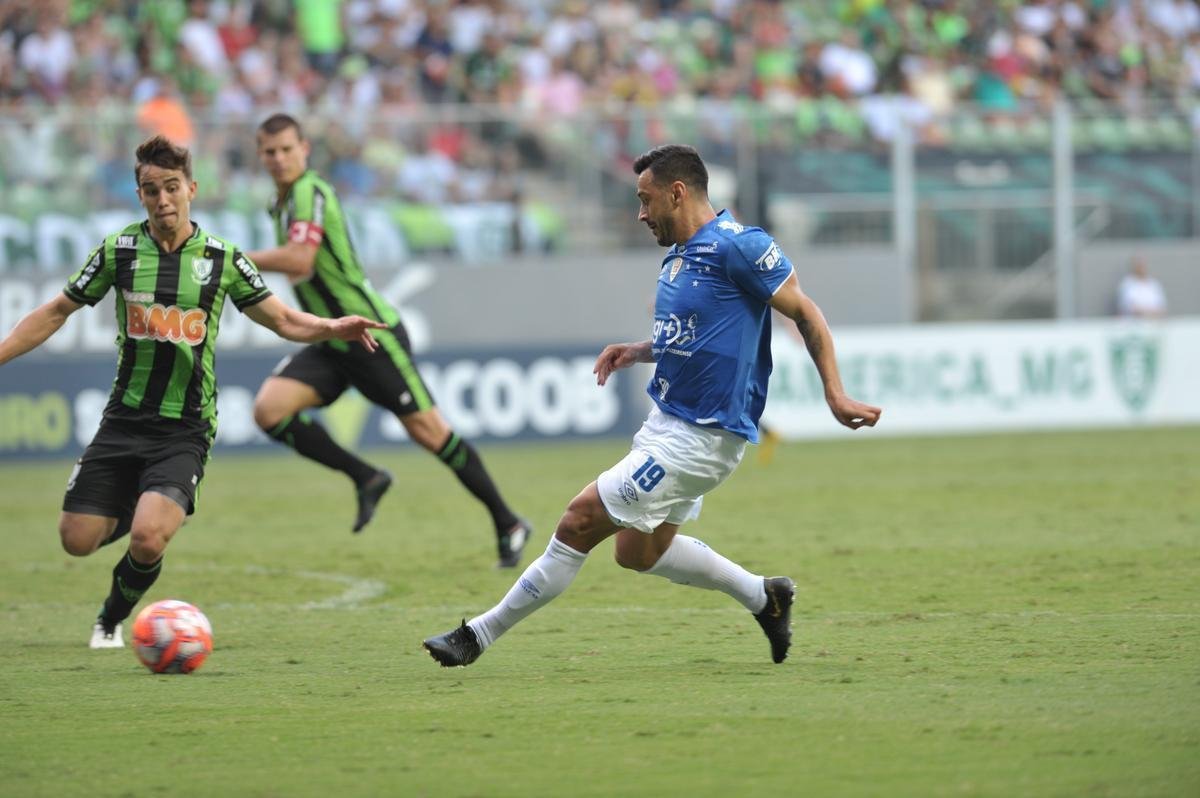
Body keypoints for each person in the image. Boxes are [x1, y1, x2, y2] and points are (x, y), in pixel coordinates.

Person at [422, 144, 882, 667]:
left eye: (645, 200)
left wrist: (835, 393)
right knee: (637, 553)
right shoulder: (677, 258)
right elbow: (694, 334)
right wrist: (638, 350)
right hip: (665, 422)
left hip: (703, 437)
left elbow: (806, 312)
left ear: (677, 193)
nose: (640, 214)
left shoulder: (741, 247)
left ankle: (476, 636)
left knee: (578, 521)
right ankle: (765, 597)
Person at [0, 135, 387, 648]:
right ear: (140, 195)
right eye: (151, 190)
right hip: (123, 420)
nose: (163, 200)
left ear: (192, 189)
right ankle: (138, 506)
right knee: (76, 541)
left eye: (172, 188)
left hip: (184, 428)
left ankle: (111, 619)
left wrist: (331, 327)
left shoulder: (223, 259)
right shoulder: (118, 252)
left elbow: (284, 320)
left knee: (148, 536)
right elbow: (54, 311)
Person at [247, 113, 532, 566]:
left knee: (432, 434)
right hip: (331, 338)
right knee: (270, 410)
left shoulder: (309, 192)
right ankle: (366, 477)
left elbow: (300, 260)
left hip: (368, 335)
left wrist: (235, 259)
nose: (279, 159)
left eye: (286, 149)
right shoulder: (280, 203)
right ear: (260, 155)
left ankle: (508, 522)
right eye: (270, 151)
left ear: (305, 149)